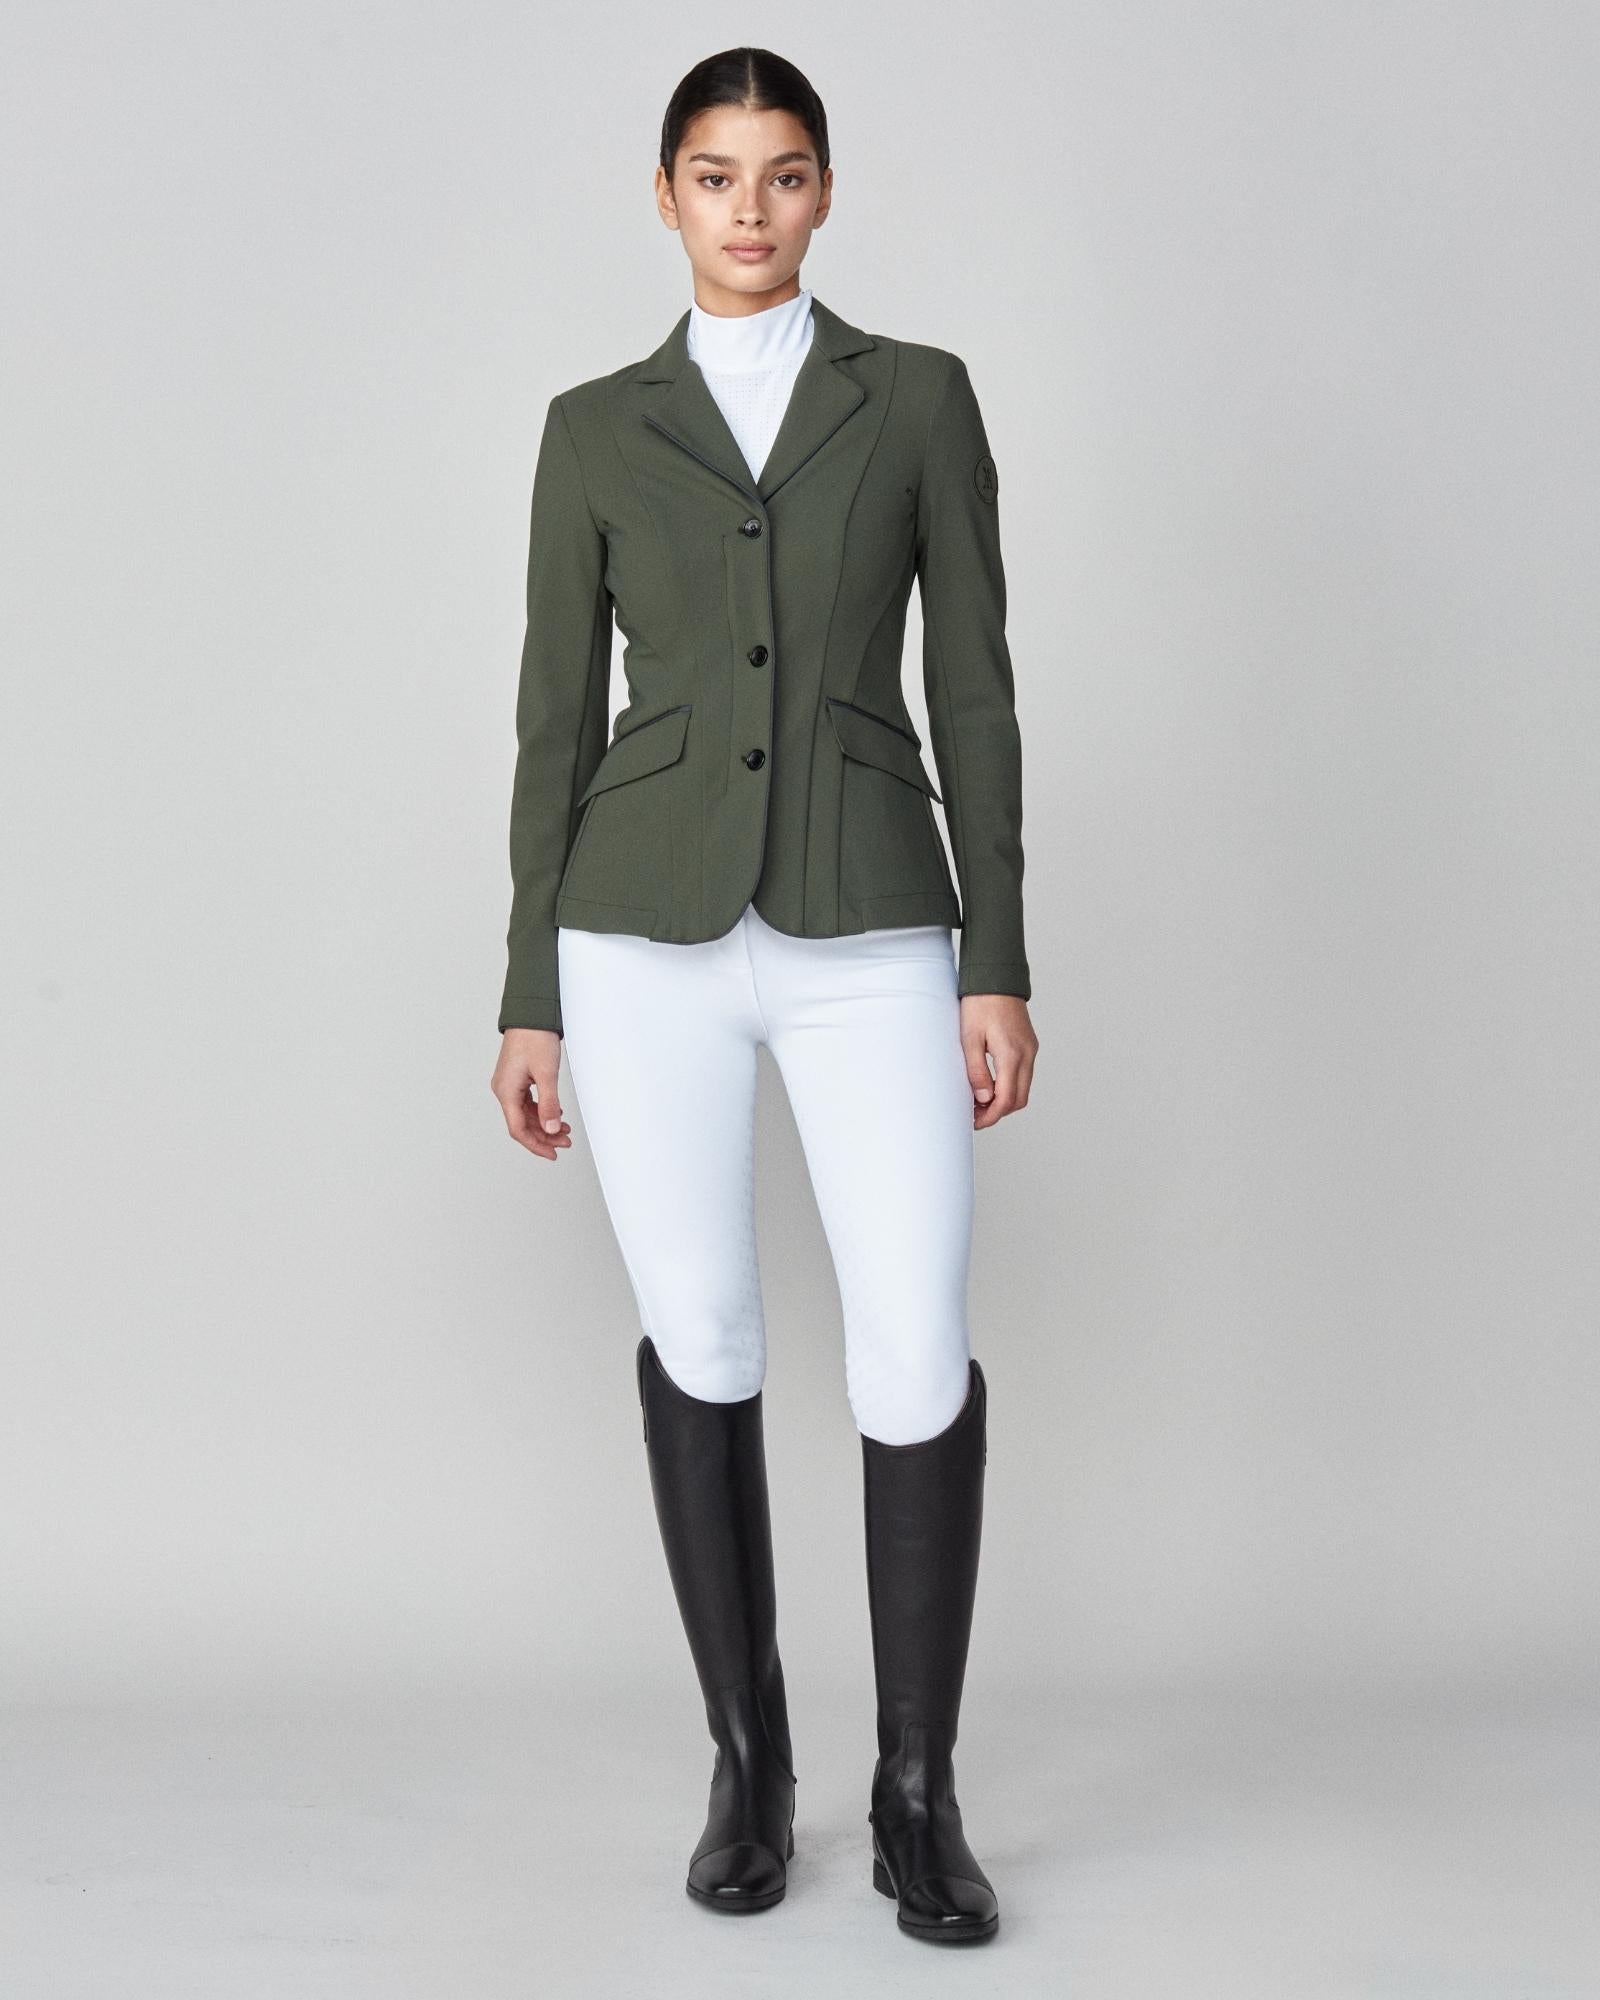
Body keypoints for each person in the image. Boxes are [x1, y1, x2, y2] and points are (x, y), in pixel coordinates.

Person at [489, 46, 1038, 1946]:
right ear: (666, 196)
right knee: (703, 1334)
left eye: (784, 173)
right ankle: (751, 1764)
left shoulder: (917, 397)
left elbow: (976, 689)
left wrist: (996, 956)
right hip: (636, 932)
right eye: (715, 175)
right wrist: (529, 991)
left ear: (824, 192)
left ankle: (917, 1794)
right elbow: (553, 724)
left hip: (868, 918)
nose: (750, 207)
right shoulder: (591, 428)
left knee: (914, 1343)